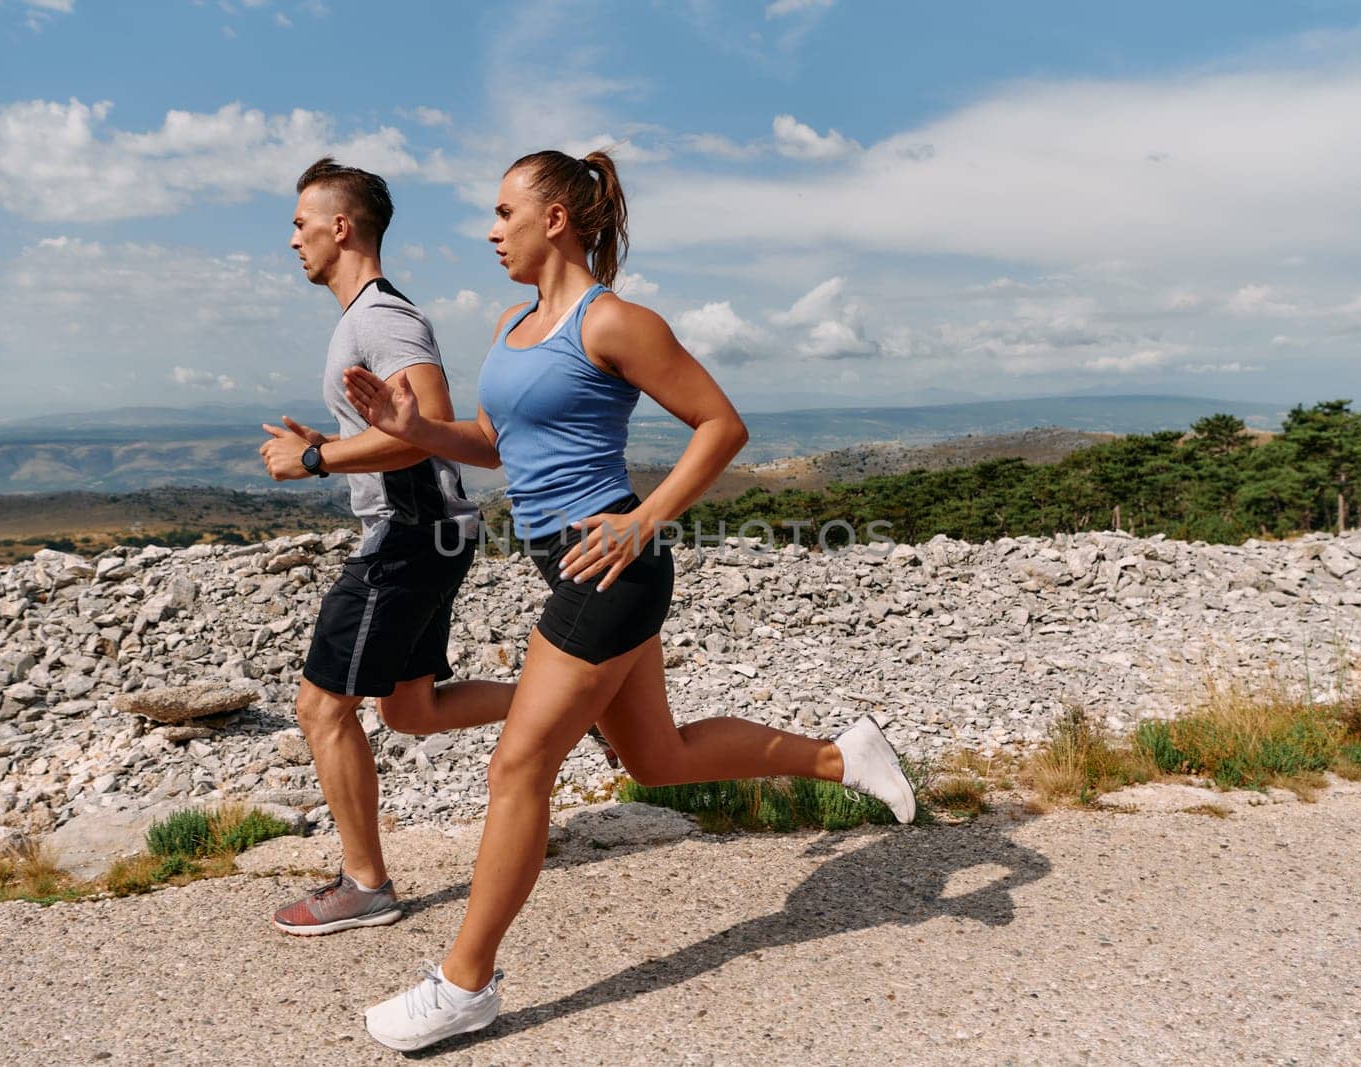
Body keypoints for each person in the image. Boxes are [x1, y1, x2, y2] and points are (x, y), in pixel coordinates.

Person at [343, 149, 917, 1050]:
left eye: (503, 213)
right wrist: (415, 429)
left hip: (607, 566)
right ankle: (845, 758)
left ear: (556, 219)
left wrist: (644, 518)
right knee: (656, 754)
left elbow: (722, 425)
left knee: (518, 765)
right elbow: (497, 440)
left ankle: (465, 981)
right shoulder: (513, 324)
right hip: (563, 559)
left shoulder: (614, 322)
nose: (491, 232)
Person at [258, 157, 515, 936]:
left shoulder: (380, 317)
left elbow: (421, 427)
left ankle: (366, 883)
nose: (292, 237)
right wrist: (333, 439)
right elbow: (396, 430)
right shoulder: (362, 319)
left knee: (321, 705)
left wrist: (316, 460)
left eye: (301, 222)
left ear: (341, 227)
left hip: (408, 536)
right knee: (411, 709)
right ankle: (578, 702)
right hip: (430, 532)